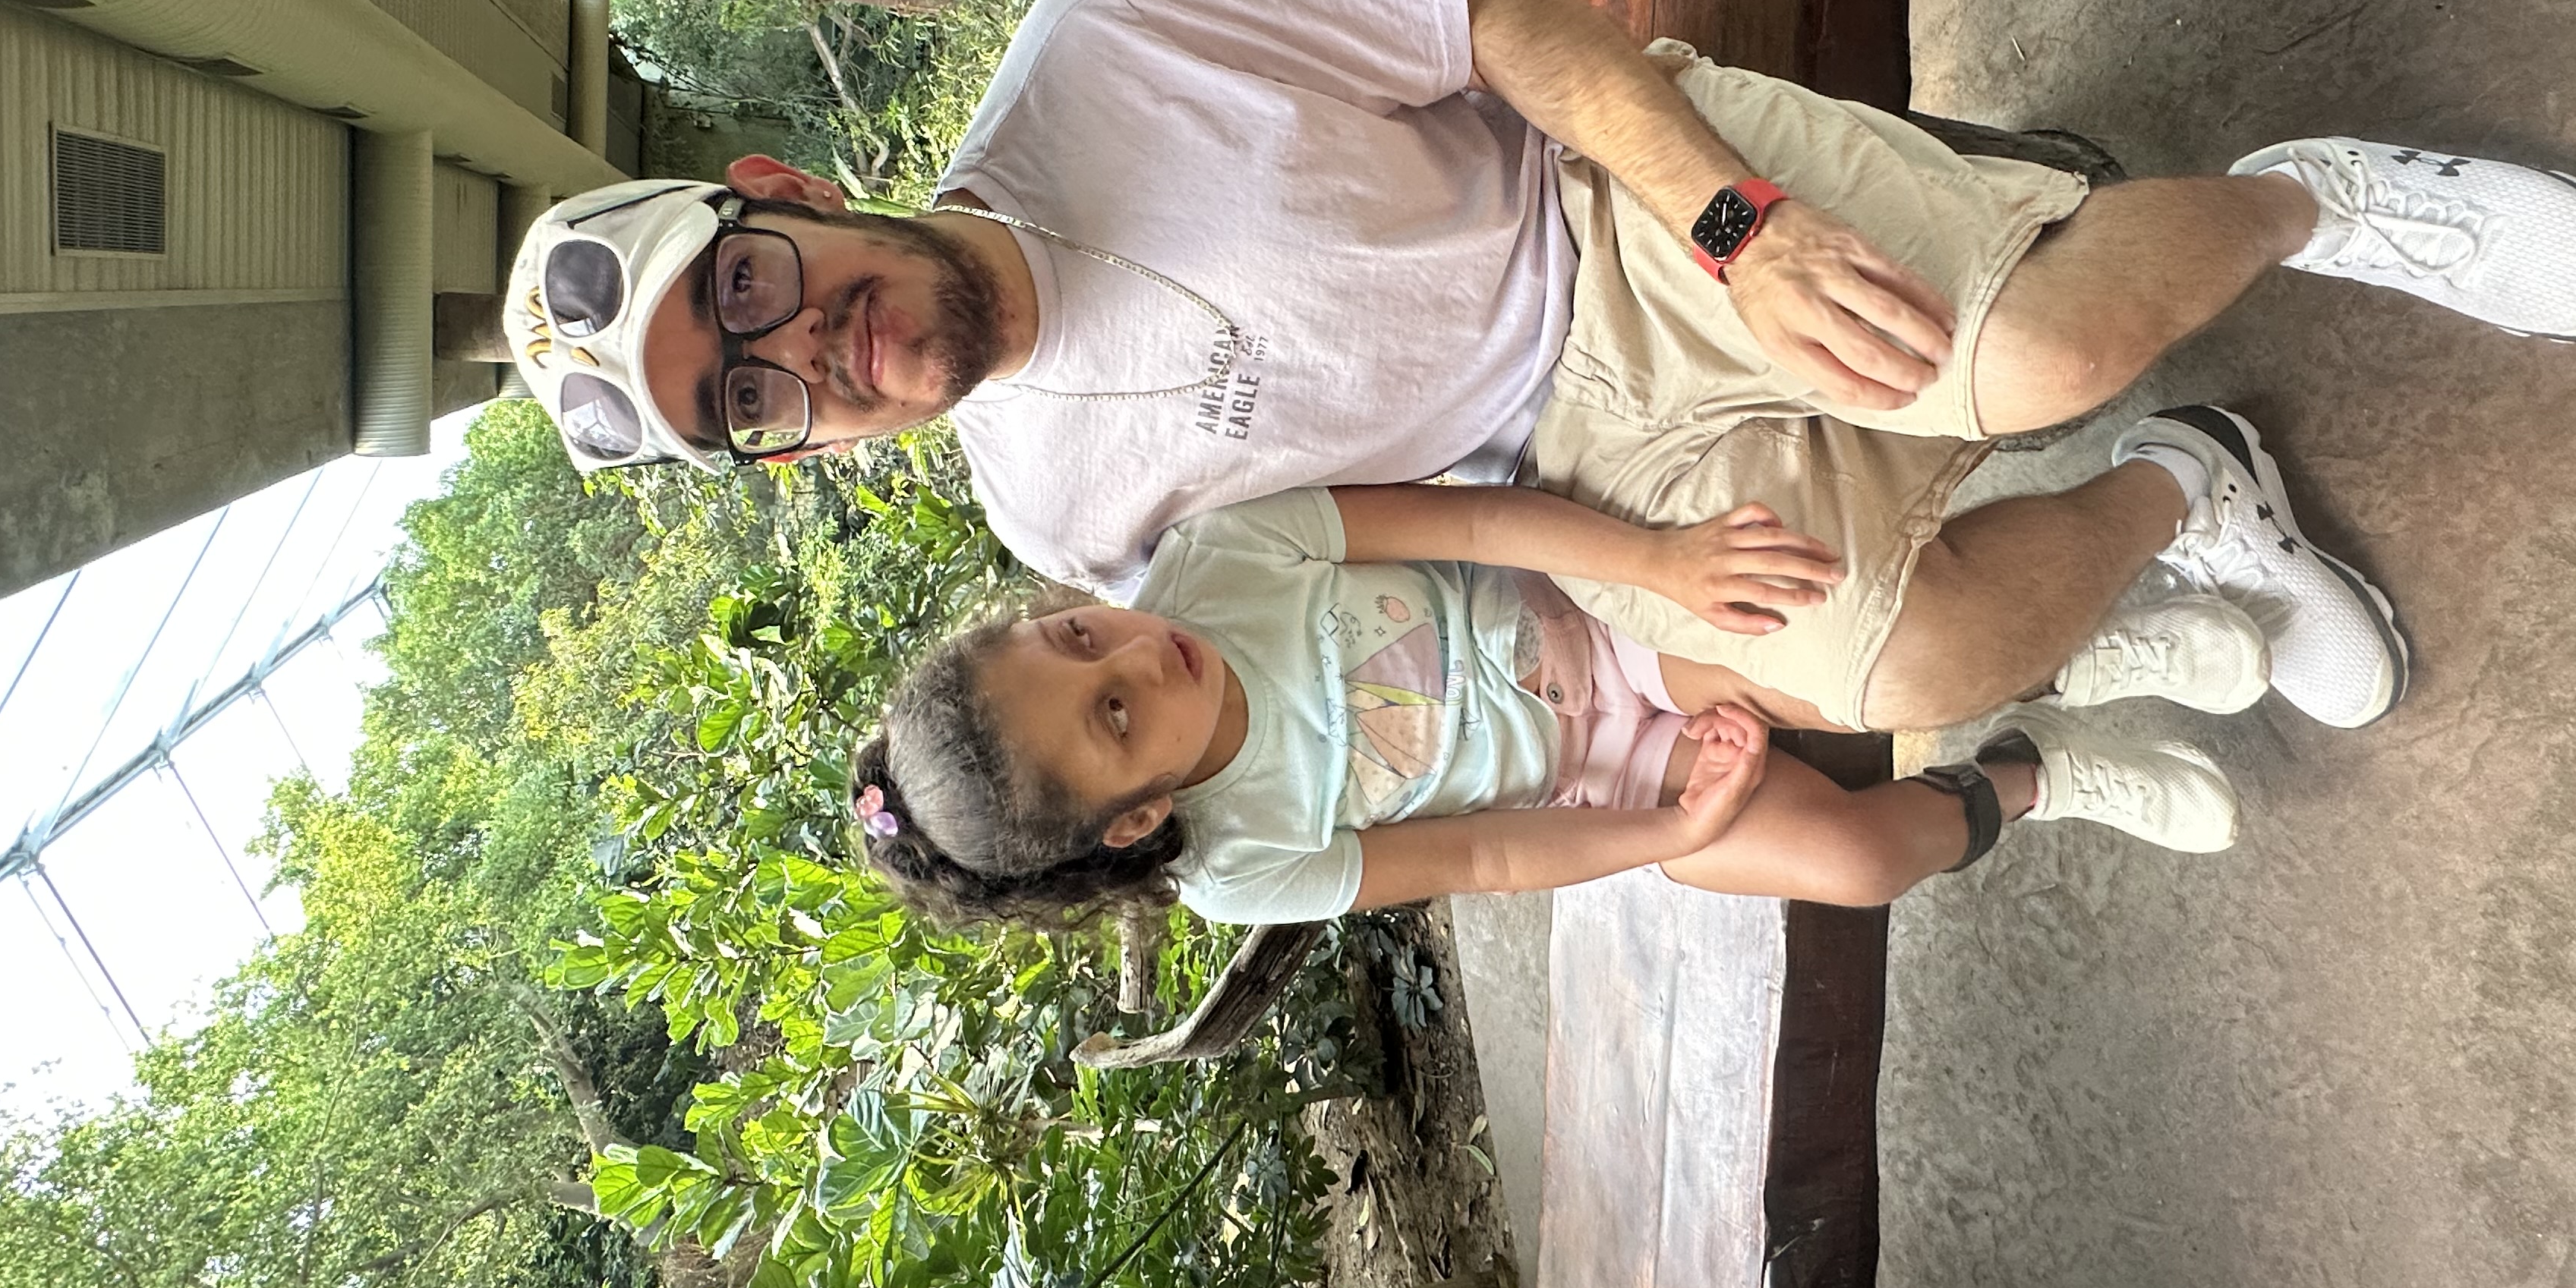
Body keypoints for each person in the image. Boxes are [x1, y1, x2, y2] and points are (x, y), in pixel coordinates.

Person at [506, 0, 2576, 738]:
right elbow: (1386, 543)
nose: (819, 356)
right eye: (755, 401)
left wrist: (1729, 218)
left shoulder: (1098, 50)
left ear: (777, 193)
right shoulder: (1059, 521)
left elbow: (1502, 18)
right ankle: (2195, 494)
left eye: (756, 293)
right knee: (1890, 675)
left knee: (2026, 362)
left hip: (1623, 210)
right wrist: (1643, 614)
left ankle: (2318, 193)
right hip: (1581, 463)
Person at [844, 481, 2243, 930]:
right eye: (1115, 722)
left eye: (1082, 636)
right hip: (1597, 786)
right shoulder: (1237, 865)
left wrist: (1655, 569)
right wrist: (1675, 827)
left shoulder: (1222, 561)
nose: (1141, 661)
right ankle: (2040, 764)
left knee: (1816, 656)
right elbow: (1483, 853)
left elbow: (1482, 517)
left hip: (1615, 626)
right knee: (1855, 863)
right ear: (1137, 813)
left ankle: (2074, 646)